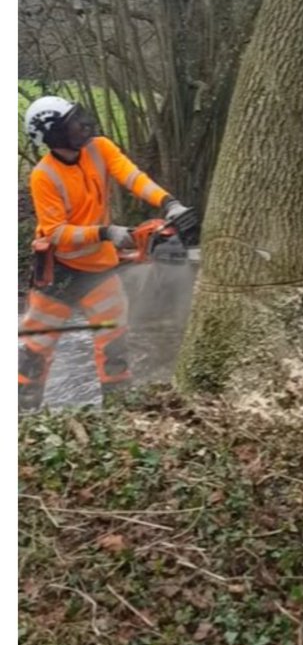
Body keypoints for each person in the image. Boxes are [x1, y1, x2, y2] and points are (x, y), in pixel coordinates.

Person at [18, 95, 198, 412]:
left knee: (113, 341)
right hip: (58, 273)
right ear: (54, 135)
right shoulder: (44, 175)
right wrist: (108, 233)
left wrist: (168, 203)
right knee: (38, 345)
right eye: (73, 123)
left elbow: (132, 177)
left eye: (80, 117)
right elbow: (57, 233)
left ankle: (119, 412)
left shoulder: (99, 148)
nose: (83, 125)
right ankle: (23, 415)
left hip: (100, 269)